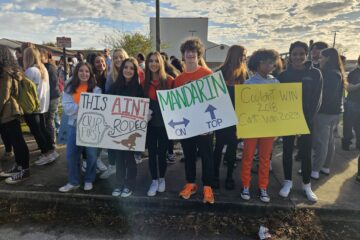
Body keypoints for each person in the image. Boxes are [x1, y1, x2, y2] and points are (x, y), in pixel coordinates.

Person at [277, 41, 323, 202]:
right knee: (287, 151)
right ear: (290, 55)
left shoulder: (316, 73)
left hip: (307, 120)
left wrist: (307, 119)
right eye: (294, 54)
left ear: (306, 54)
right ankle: (287, 181)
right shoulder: (283, 75)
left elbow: (318, 99)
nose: (298, 57)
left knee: (305, 153)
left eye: (301, 53)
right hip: (287, 120)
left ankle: (306, 184)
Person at [175, 37, 215, 204]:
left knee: (207, 156)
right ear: (183, 56)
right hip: (188, 126)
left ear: (199, 55)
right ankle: (191, 183)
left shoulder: (208, 74)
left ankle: (208, 187)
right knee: (189, 155)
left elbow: (214, 101)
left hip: (205, 126)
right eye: (187, 51)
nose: (190, 54)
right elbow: (176, 106)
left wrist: (211, 124)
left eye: (194, 51)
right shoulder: (178, 80)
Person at [240, 49, 280, 203]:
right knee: (248, 157)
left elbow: (279, 106)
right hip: (251, 126)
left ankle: (263, 186)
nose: (270, 65)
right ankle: (245, 184)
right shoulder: (248, 83)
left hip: (268, 127)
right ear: (257, 63)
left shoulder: (276, 83)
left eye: (272, 62)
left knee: (265, 158)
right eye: (266, 62)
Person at [59, 62, 100, 192]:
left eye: (87, 71)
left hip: (91, 126)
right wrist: (86, 106)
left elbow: (98, 109)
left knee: (92, 155)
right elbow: (68, 109)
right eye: (81, 71)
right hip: (74, 126)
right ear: (76, 73)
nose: (84, 73)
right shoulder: (69, 88)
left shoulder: (96, 89)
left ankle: (89, 179)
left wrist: (79, 107)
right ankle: (74, 181)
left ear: (90, 74)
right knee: (71, 155)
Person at [108, 57, 144, 198]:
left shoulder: (139, 88)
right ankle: (119, 183)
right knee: (119, 159)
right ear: (121, 69)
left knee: (129, 159)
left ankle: (129, 184)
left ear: (135, 71)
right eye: (126, 67)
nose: (128, 70)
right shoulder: (114, 87)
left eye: (131, 68)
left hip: (132, 131)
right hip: (117, 130)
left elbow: (143, 108)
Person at [213, 45, 248, 190]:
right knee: (219, 146)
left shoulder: (244, 74)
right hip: (222, 117)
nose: (244, 58)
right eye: (243, 55)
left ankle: (229, 176)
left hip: (237, 118)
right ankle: (214, 176)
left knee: (232, 148)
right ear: (236, 55)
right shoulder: (220, 72)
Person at [142, 52, 174, 196]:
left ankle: (162, 178)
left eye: (156, 61)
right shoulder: (143, 83)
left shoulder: (170, 81)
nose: (153, 63)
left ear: (161, 63)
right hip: (149, 125)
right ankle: (154, 180)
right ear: (147, 63)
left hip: (165, 125)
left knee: (162, 153)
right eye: (151, 61)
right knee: (152, 153)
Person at [312, 48, 345, 178]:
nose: (319, 60)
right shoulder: (337, 72)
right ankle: (325, 167)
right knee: (330, 141)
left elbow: (326, 95)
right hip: (335, 112)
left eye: (321, 57)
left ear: (328, 58)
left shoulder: (330, 74)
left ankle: (315, 170)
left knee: (322, 142)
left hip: (325, 112)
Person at [23, 47, 58, 165]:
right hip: (43, 105)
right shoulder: (43, 68)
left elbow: (24, 90)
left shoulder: (30, 71)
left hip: (33, 107)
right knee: (43, 129)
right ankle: (51, 152)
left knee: (38, 132)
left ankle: (45, 153)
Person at [0, 45, 30, 184]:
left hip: (9, 111)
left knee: (17, 141)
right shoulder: (12, 71)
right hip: (10, 110)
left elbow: (3, 96)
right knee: (15, 140)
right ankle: (19, 166)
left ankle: (24, 170)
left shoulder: (6, 73)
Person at [100, 48, 129, 180]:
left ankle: (125, 169)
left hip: (128, 115)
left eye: (121, 57)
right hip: (113, 113)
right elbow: (106, 95)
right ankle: (112, 166)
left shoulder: (132, 72)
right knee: (111, 142)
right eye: (116, 57)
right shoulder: (110, 76)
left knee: (126, 143)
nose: (118, 60)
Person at [40, 49, 61, 150]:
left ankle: (52, 143)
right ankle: (52, 140)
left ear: (46, 56)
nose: (39, 58)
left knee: (49, 120)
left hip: (52, 97)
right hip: (52, 96)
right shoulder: (47, 66)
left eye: (41, 56)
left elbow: (52, 85)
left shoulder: (49, 67)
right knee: (51, 119)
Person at [342, 55, 360, 150]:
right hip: (352, 103)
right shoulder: (354, 73)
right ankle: (346, 144)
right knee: (348, 126)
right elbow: (349, 88)